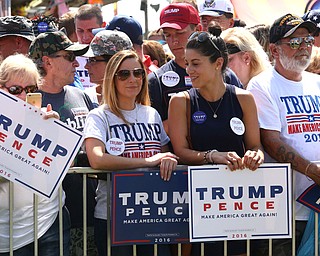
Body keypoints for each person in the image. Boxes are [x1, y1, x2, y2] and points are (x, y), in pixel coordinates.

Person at [168, 31, 264, 256]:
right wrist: (211, 156)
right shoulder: (180, 101)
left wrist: (255, 156)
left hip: (236, 205)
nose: (189, 70)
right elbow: (180, 152)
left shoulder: (244, 99)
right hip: (194, 204)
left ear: (218, 63)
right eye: (187, 63)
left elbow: (255, 145)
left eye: (196, 64)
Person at [84, 49, 178, 256]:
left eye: (138, 73)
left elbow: (163, 155)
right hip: (113, 216)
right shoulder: (99, 116)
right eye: (123, 74)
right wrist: (146, 161)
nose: (132, 79)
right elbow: (97, 159)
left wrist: (166, 160)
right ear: (112, 79)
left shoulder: (151, 114)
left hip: (153, 214)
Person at [247, 13, 319, 255]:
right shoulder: (262, 85)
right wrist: (313, 171)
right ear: (274, 51)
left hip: (317, 206)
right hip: (284, 210)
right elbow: (270, 140)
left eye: (308, 40)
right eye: (295, 42)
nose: (305, 48)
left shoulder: (316, 83)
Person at [28, 30, 97, 256]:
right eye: (69, 57)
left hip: (88, 210)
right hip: (48, 220)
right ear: (47, 61)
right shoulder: (28, 100)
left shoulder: (81, 95)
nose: (76, 63)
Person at [0, 54, 70, 255]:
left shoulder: (45, 119)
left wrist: (57, 133)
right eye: (15, 90)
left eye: (30, 90)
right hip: (8, 231)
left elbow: (68, 164)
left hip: (49, 221)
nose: (23, 96)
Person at [148, 3, 242, 134]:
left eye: (180, 33)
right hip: (178, 154)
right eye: (167, 35)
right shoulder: (156, 80)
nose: (174, 41)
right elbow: (153, 132)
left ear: (198, 29)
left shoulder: (225, 75)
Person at [84, 29, 133, 106]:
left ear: (114, 63)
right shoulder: (85, 98)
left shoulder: (137, 98)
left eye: (92, 60)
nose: (86, 66)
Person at [75, 4, 106, 90]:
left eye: (91, 31)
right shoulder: (68, 58)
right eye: (80, 31)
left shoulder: (111, 57)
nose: (85, 37)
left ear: (103, 26)